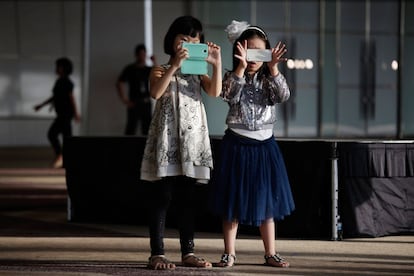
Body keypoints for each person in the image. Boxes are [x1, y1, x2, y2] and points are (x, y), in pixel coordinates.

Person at [209, 21, 295, 268]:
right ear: (239, 51)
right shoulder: (232, 76)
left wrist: (274, 68)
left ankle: (270, 253)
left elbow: (283, 96)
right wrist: (240, 68)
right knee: (231, 202)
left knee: (266, 201)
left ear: (267, 52)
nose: (254, 57)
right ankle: (229, 253)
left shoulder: (269, 78)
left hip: (265, 146)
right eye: (249, 50)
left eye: (260, 51)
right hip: (236, 144)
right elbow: (227, 95)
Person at [140, 16, 222, 270]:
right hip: (167, 140)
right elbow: (155, 93)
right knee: (162, 196)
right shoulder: (160, 69)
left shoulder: (198, 74)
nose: (187, 43)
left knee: (189, 198)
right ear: (172, 40)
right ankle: (157, 253)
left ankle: (188, 251)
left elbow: (215, 92)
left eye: (193, 40)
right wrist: (174, 66)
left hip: (192, 141)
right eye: (183, 38)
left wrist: (216, 65)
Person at [34, 57, 80, 168]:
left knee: (53, 134)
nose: (56, 68)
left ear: (64, 68)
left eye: (58, 66)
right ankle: (64, 159)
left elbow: (71, 98)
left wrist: (75, 113)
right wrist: (42, 105)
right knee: (66, 137)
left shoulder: (67, 82)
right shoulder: (59, 81)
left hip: (65, 114)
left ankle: (61, 156)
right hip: (62, 114)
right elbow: (55, 97)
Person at [116, 44, 155, 135]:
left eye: (143, 54)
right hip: (134, 102)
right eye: (140, 54)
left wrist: (154, 62)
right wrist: (125, 100)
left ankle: (146, 149)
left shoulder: (149, 69)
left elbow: (159, 76)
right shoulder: (130, 69)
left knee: (147, 129)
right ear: (136, 55)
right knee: (131, 128)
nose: (142, 56)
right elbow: (119, 83)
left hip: (146, 102)